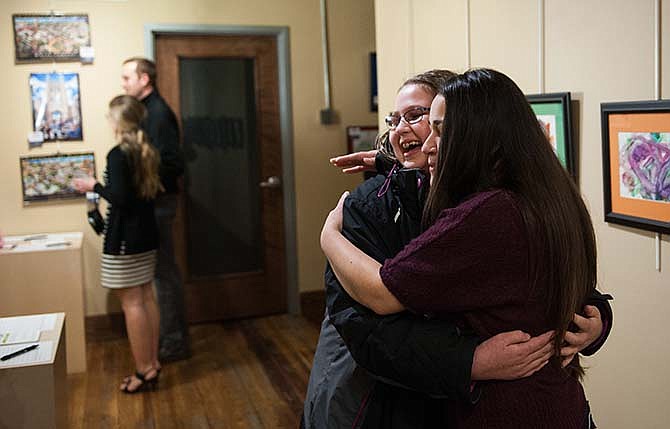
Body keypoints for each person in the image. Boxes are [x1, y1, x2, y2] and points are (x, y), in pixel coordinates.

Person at [305, 70, 611, 428]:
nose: (409, 133)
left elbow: (384, 293)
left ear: (471, 132)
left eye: (426, 121)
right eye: (394, 120)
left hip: (505, 408)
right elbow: (364, 327)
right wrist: (469, 360)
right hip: (386, 406)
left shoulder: (486, 206)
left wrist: (597, 318)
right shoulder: (370, 207)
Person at [74, 95, 162, 393]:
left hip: (125, 241)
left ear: (119, 121)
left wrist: (94, 186)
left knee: (132, 303)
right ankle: (152, 364)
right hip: (146, 238)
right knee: (147, 298)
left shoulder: (118, 154)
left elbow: (122, 199)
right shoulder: (146, 150)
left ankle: (143, 370)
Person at [121, 57, 190, 362]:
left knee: (164, 274)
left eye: (127, 78)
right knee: (159, 274)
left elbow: (173, 163)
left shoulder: (158, 114)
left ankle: (174, 343)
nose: (123, 84)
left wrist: (146, 181)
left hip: (160, 204)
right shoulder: (147, 112)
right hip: (153, 204)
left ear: (144, 80)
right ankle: (166, 340)